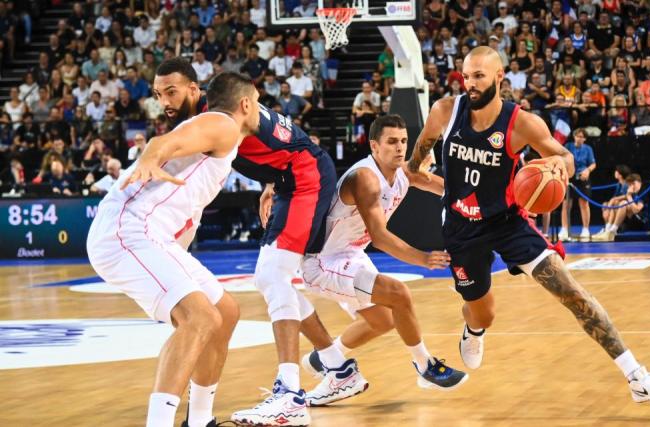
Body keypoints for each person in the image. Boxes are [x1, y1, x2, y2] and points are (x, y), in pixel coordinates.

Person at [408, 46, 650, 405]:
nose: (470, 84)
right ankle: (473, 330)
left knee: (573, 293)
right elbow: (415, 166)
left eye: (479, 76)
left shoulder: (521, 123)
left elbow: (563, 156)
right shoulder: (445, 111)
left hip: (508, 222)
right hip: (462, 229)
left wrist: (557, 170)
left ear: (500, 77)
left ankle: (637, 377)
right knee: (482, 312)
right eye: (466, 75)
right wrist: (437, 187)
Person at [151, 58, 357, 426]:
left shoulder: (214, 115)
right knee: (271, 278)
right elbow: (282, 136)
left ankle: (290, 394)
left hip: (305, 177)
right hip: (292, 176)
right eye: (158, 94)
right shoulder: (227, 100)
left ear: (195, 91)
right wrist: (270, 182)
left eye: (172, 91)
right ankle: (338, 367)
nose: (165, 100)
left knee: (274, 276)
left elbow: (281, 140)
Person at [86, 72, 261, 427]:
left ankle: (199, 420)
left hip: (154, 236)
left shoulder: (224, 135)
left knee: (224, 312)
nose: (260, 110)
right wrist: (151, 157)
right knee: (200, 317)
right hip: (127, 229)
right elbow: (165, 141)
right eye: (257, 103)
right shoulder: (222, 123)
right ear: (246, 104)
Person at [298, 115, 468, 406]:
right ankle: (425, 366)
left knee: (384, 320)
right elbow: (379, 236)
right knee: (398, 294)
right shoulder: (365, 178)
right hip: (322, 262)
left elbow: (447, 190)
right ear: (374, 146)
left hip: (350, 255)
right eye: (391, 142)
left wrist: (481, 203)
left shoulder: (404, 172)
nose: (400, 148)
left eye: (403, 141)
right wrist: (423, 258)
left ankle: (322, 358)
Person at [559, 128, 596, 241]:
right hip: (570, 178)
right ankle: (564, 229)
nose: (579, 138)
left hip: (583, 178)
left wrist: (588, 171)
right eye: (577, 136)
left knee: (584, 203)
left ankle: (585, 229)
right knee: (566, 204)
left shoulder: (588, 149)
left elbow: (593, 164)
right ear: (574, 136)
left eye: (582, 137)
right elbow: (562, 159)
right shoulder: (568, 146)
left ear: (584, 139)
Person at [594, 173, 648, 241]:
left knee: (623, 203)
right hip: (629, 220)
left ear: (639, 182)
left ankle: (612, 231)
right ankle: (607, 229)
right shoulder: (632, 192)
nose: (632, 186)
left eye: (634, 183)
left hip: (641, 222)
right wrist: (607, 209)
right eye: (630, 185)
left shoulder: (643, 191)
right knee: (616, 203)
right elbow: (614, 199)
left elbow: (636, 210)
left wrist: (628, 196)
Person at [600, 164, 631, 232]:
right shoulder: (618, 184)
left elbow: (626, 197)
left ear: (620, 174)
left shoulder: (627, 184)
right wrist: (608, 206)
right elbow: (615, 197)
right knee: (605, 204)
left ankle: (613, 227)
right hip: (617, 204)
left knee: (615, 203)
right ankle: (607, 226)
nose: (615, 173)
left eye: (616, 171)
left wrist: (611, 203)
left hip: (626, 206)